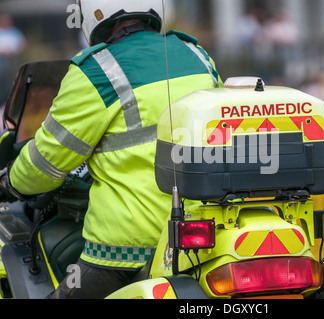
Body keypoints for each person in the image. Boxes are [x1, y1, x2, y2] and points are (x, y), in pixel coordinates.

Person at [0, 0, 222, 298]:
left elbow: (44, 163)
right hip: (203, 236)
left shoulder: (96, 71)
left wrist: (9, 182)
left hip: (126, 250)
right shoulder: (197, 55)